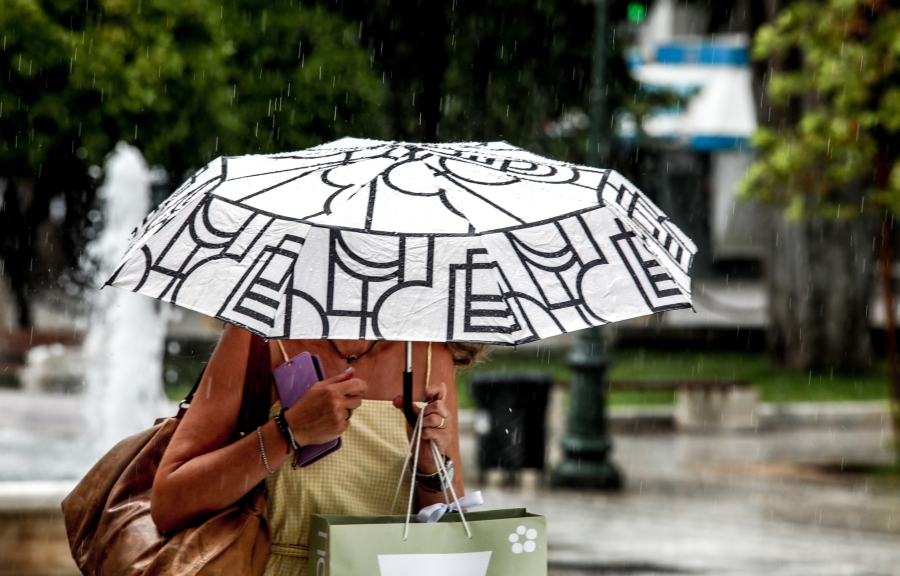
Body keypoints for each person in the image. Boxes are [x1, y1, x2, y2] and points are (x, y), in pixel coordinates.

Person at [150, 324, 481, 575]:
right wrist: (289, 431)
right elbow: (170, 502)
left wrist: (429, 467)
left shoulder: (427, 355)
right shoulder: (259, 337)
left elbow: (451, 533)